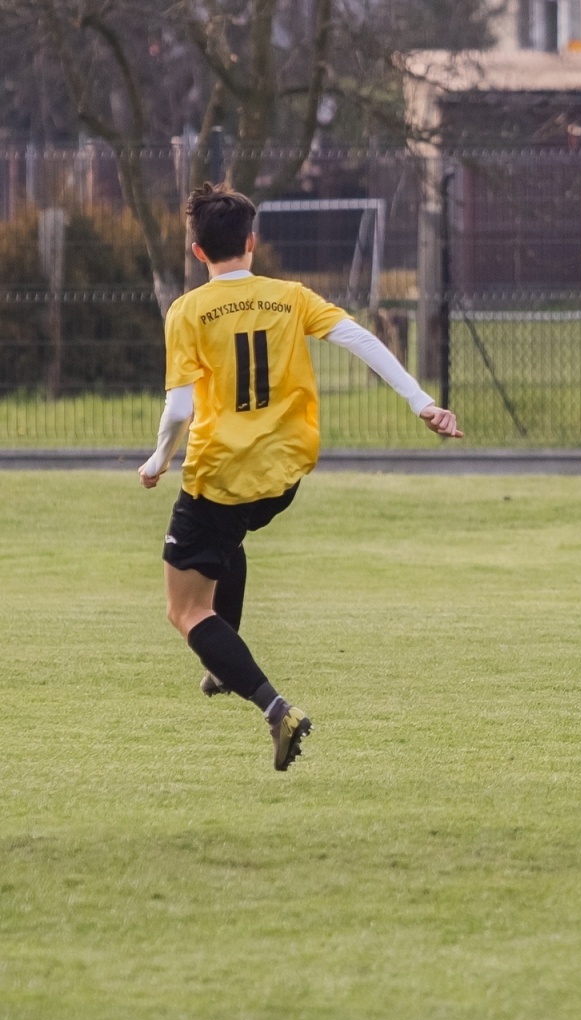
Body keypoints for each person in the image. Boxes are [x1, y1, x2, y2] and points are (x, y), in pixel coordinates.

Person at [139, 183, 461, 770]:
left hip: (218, 477)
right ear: (252, 243)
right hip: (283, 477)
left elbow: (181, 409)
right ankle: (222, 663)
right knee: (227, 542)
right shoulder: (290, 297)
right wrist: (422, 402)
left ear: (197, 252)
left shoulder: (186, 312)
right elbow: (361, 339)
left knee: (185, 612)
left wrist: (159, 460)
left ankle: (275, 709)